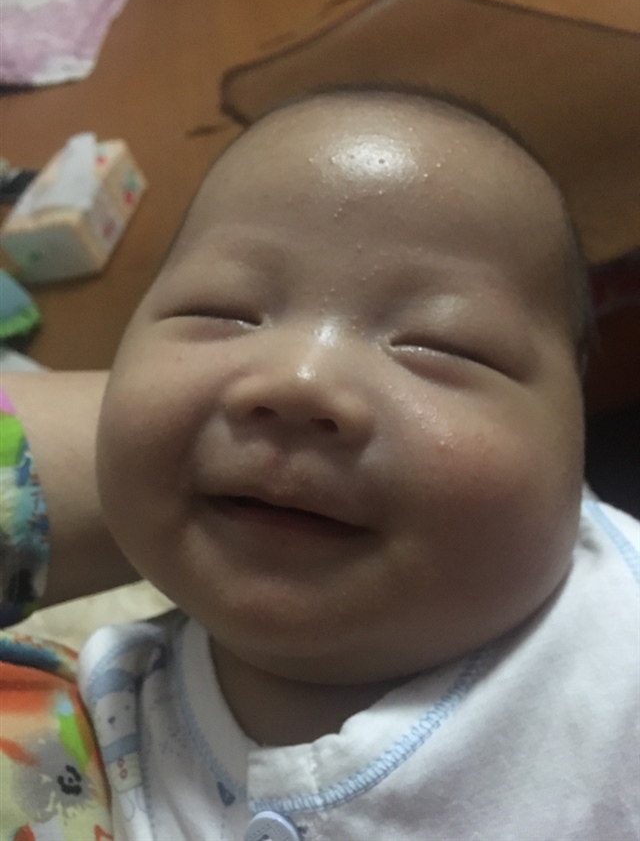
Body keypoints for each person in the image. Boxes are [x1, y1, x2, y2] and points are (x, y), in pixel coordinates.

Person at [1, 87, 638, 841]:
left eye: (441, 344)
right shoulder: (100, 712)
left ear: (576, 432)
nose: (299, 381)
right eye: (223, 311)